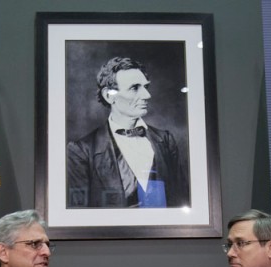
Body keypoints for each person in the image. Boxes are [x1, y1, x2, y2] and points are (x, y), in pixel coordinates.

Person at [66, 56, 190, 209]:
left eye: (146, 87)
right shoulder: (81, 151)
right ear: (109, 95)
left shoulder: (165, 140)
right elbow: (78, 215)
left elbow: (182, 201)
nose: (147, 95)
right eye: (135, 88)